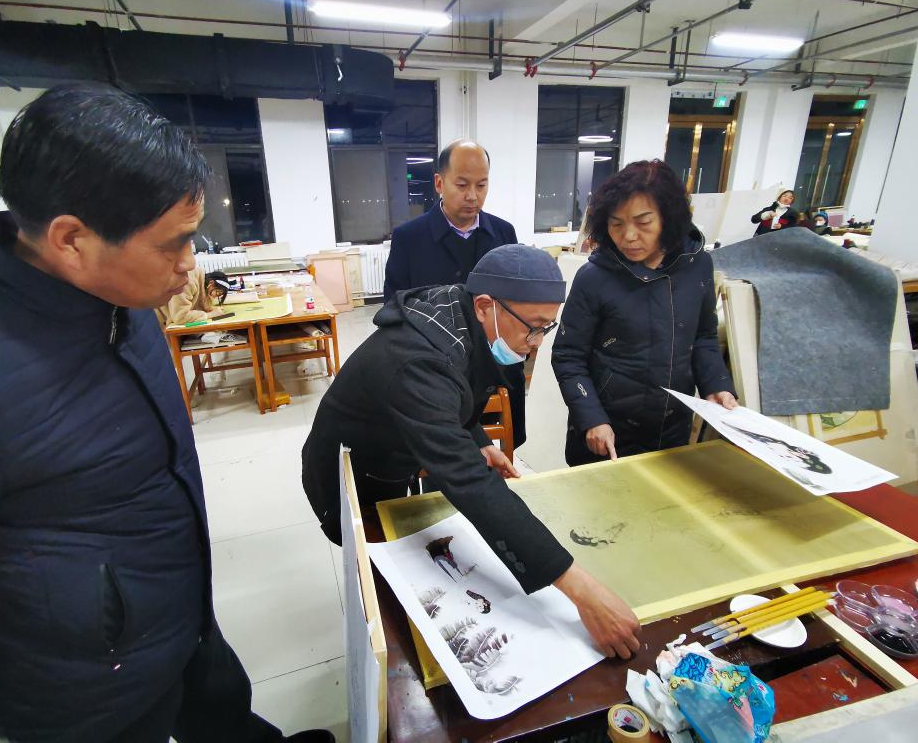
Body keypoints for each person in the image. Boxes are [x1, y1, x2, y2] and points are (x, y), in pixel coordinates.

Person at [0, 85, 330, 743]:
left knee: (228, 715)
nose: (189, 265)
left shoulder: (118, 298)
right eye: (174, 244)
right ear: (72, 239)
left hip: (182, 621)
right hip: (92, 693)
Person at [303, 245, 643, 660]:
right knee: (380, 571)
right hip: (353, 469)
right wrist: (583, 592)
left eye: (546, 328)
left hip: (396, 448)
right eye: (533, 328)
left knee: (408, 541)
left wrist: (479, 440)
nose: (537, 343)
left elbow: (458, 394)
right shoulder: (418, 359)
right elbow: (470, 483)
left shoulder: (463, 318)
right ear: (485, 306)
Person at [551, 160, 738, 467]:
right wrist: (591, 418)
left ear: (669, 218)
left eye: (643, 222)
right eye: (616, 224)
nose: (629, 236)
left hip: (672, 428)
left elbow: (703, 336)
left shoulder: (697, 266)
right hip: (608, 432)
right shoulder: (594, 277)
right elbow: (568, 356)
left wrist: (716, 383)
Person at [382, 139, 529, 447]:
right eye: (462, 185)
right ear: (439, 183)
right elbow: (394, 308)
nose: (472, 196)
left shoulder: (504, 233)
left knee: (500, 448)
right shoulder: (410, 238)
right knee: (440, 452)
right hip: (436, 370)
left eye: (481, 185)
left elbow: (516, 303)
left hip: (495, 367)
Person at [155, 268, 229, 327]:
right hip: (157, 319)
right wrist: (209, 315)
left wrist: (212, 310)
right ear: (211, 283)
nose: (215, 297)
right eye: (217, 293)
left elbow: (203, 304)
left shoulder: (202, 282)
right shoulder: (186, 283)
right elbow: (181, 317)